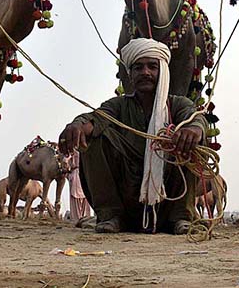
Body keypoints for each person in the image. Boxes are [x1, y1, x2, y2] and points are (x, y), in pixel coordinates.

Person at [59, 39, 204, 235]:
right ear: (130, 74)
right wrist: (77, 125)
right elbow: (95, 119)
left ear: (163, 71)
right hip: (127, 199)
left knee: (191, 142)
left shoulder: (179, 104)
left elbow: (196, 120)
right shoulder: (117, 105)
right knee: (97, 137)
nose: (145, 72)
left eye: (152, 67)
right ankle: (111, 215)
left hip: (168, 202)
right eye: (138, 68)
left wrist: (193, 130)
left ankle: (181, 216)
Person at [67, 151, 91, 222]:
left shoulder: (72, 151)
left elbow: (65, 161)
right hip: (85, 174)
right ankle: (86, 218)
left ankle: (76, 219)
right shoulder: (86, 150)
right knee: (85, 197)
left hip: (76, 174)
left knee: (75, 198)